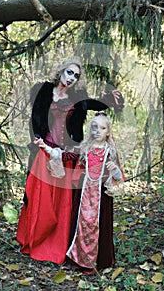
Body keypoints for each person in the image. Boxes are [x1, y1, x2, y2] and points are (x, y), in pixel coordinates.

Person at [16, 57, 124, 265]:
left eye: (76, 76)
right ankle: (35, 241)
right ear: (61, 71)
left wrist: (109, 100)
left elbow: (92, 104)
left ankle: (58, 246)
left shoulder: (77, 97)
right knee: (42, 201)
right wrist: (38, 142)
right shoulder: (44, 92)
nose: (72, 78)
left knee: (63, 204)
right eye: (69, 73)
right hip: (45, 153)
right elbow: (35, 120)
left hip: (67, 156)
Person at [66, 112, 123, 274]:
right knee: (82, 223)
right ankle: (79, 259)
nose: (98, 131)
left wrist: (115, 170)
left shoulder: (110, 151)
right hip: (85, 194)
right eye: (94, 127)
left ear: (108, 132)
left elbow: (118, 177)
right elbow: (75, 167)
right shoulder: (85, 149)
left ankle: (96, 260)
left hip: (101, 197)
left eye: (102, 128)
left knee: (98, 225)